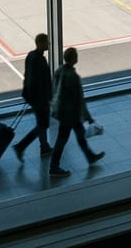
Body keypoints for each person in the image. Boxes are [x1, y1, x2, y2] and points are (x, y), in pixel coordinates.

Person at [49, 48, 105, 178]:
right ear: (74, 58)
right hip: (70, 113)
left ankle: (90, 156)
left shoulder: (59, 71)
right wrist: (88, 117)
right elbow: (79, 99)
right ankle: (54, 166)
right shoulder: (73, 77)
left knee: (79, 135)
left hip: (62, 111)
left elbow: (54, 90)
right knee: (62, 139)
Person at [12, 33, 53, 160]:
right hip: (40, 98)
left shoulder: (30, 56)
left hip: (33, 96)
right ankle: (22, 146)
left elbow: (28, 77)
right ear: (41, 44)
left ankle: (44, 147)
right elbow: (45, 81)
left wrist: (27, 94)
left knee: (42, 123)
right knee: (43, 124)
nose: (49, 44)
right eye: (47, 42)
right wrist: (49, 97)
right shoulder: (40, 60)